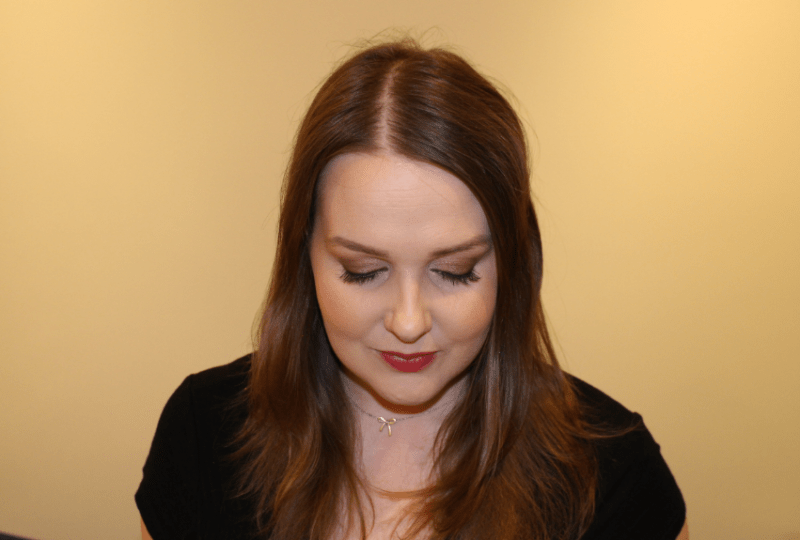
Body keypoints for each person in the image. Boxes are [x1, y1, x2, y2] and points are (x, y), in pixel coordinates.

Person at [136, 39, 687, 540]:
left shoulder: (615, 477)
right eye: (362, 270)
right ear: (304, 255)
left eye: (455, 271)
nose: (407, 321)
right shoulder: (202, 436)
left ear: (512, 263)